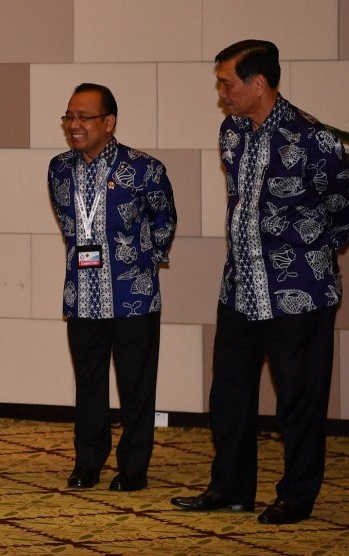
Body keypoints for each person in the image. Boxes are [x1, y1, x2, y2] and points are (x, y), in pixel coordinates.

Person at [171, 40, 349, 525]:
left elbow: (342, 211)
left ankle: (297, 496)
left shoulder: (315, 139)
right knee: (228, 394)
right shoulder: (231, 131)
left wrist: (304, 255)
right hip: (240, 290)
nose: (221, 92)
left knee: (299, 399)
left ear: (258, 84)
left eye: (227, 83)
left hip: (301, 293)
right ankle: (230, 489)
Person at [47, 83, 177, 493]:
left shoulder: (144, 168)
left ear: (109, 122)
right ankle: (88, 462)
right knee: (89, 384)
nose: (74, 125)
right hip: (82, 296)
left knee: (136, 386)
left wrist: (138, 263)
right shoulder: (59, 169)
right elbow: (71, 228)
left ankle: (134, 467)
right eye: (69, 116)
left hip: (133, 297)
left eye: (84, 117)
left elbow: (165, 221)